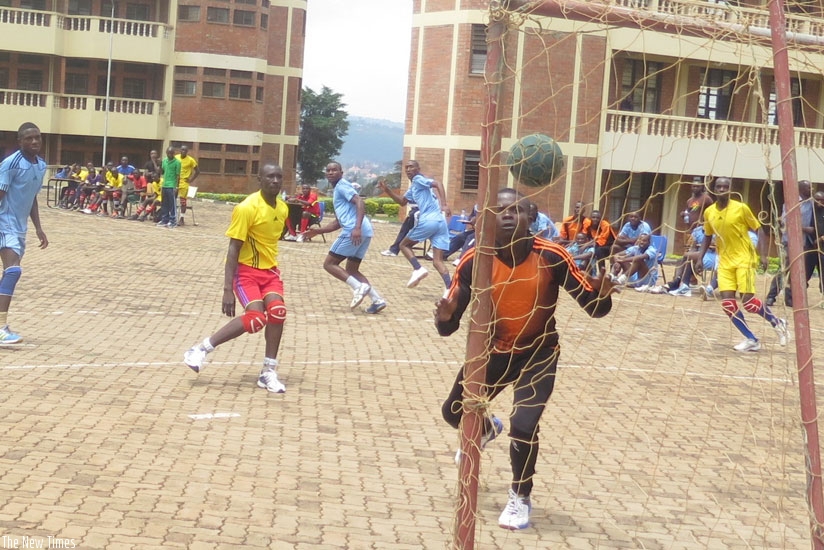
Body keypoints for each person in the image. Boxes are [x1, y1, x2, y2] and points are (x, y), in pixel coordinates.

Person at [435, 187, 615, 530]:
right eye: (500, 210)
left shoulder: (552, 256)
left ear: (532, 220)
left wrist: (603, 296)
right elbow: (450, 324)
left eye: (516, 210)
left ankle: (520, 496)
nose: (506, 214)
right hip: (494, 350)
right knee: (452, 412)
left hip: (539, 353)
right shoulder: (476, 259)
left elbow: (593, 308)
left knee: (523, 425)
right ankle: (487, 429)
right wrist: (444, 315)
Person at [183, 163, 290, 392]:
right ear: (259, 179)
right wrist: (227, 289)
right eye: (270, 176)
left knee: (278, 312)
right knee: (255, 319)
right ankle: (201, 349)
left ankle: (268, 372)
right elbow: (233, 248)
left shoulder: (282, 208)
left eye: (279, 177)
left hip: (270, 272)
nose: (275, 181)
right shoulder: (247, 208)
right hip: (245, 273)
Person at [698, 177, 788, 351]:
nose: (722, 189)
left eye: (726, 186)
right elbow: (708, 236)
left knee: (749, 302)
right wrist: (699, 257)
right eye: (719, 186)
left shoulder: (741, 208)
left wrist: (763, 254)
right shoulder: (709, 212)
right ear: (713, 189)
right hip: (724, 261)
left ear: (731, 189)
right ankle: (751, 339)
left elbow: (758, 228)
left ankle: (778, 323)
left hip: (744, 259)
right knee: (728, 304)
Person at [302, 162, 387, 314]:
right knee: (352, 269)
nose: (330, 172)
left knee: (329, 264)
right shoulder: (338, 190)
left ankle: (358, 287)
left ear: (341, 172)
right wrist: (318, 231)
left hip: (354, 231)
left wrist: (357, 228)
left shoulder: (342, 186)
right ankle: (377, 300)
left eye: (334, 170)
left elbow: (359, 201)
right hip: (365, 232)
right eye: (328, 170)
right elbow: (337, 223)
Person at [0, 122, 49, 344]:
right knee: (13, 271)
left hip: (20, 227)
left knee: (11, 272)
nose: (34, 141)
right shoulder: (10, 165)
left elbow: (32, 197)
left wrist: (38, 227)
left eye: (37, 137)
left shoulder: (41, 166)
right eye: (28, 138)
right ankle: (1, 328)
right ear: (19, 142)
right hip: (4, 223)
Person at [378, 160, 452, 289]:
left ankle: (418, 269)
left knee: (404, 245)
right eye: (406, 167)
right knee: (437, 261)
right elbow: (402, 202)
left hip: (430, 220)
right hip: (440, 223)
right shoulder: (414, 187)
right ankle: (450, 289)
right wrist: (388, 190)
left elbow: (438, 184)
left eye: (411, 167)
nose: (408, 170)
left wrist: (444, 204)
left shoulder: (418, 179)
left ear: (418, 169)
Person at [766, 179, 814, 307]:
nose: (811, 190)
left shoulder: (812, 204)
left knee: (798, 272)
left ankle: (790, 298)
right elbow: (787, 222)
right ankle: (771, 296)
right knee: (784, 269)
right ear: (801, 189)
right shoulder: (790, 203)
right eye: (809, 188)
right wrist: (804, 229)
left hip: (806, 243)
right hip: (790, 242)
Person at [175, 145, 199, 226]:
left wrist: (191, 180)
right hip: (175, 181)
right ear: (180, 150)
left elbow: (197, 171)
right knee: (172, 199)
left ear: (187, 151)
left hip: (184, 182)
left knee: (183, 202)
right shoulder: (176, 158)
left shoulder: (191, 160)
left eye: (185, 150)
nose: (183, 151)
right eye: (182, 150)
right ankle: (172, 216)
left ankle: (181, 219)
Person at [157, 147, 180, 228]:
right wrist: (159, 165)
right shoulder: (164, 161)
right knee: (164, 203)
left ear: (174, 153)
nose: (169, 155)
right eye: (168, 153)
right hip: (165, 184)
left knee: (172, 204)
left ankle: (173, 220)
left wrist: (176, 187)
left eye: (171, 153)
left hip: (172, 186)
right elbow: (162, 172)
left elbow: (178, 176)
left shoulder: (177, 162)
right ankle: (164, 219)